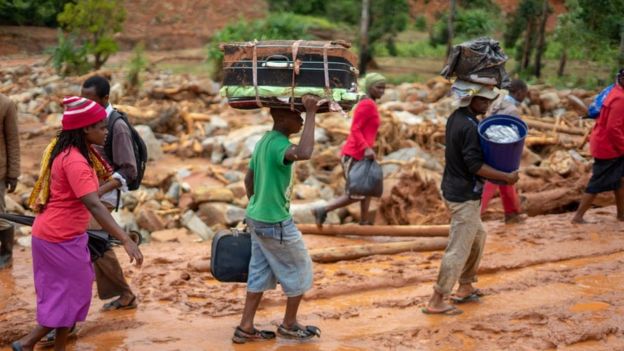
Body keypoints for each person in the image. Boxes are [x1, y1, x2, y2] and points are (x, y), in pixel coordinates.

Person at [12, 97, 143, 351]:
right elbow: (93, 204)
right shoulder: (76, 162)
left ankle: (55, 346)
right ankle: (26, 343)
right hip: (58, 237)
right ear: (85, 129)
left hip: (58, 234)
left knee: (69, 295)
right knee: (69, 296)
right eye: (101, 127)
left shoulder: (72, 153)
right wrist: (125, 239)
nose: (106, 132)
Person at [422, 80, 519, 316]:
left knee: (478, 236)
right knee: (459, 247)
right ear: (470, 99)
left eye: (489, 100)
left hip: (457, 189)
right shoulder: (468, 127)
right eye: (482, 100)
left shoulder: (458, 118)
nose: (486, 104)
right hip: (463, 194)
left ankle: (465, 286)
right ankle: (437, 299)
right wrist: (506, 177)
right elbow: (475, 165)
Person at [233, 95, 324, 344]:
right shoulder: (278, 145)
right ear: (282, 118)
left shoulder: (264, 141)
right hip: (275, 221)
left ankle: (246, 326)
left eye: (303, 115)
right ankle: (289, 324)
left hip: (257, 217)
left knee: (259, 272)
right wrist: (313, 111)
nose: (301, 118)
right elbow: (305, 152)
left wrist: (256, 204)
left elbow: (248, 180)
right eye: (297, 115)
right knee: (300, 268)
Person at [81, 75, 139, 311]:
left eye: (91, 100)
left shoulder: (118, 127)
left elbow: (129, 168)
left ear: (105, 98)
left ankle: (125, 294)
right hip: (90, 192)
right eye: (82, 99)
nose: (86, 104)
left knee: (98, 245)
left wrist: (96, 191)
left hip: (102, 195)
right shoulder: (89, 120)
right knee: (95, 244)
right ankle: (121, 293)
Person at [312, 73, 386, 226]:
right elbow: (355, 129)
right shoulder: (367, 104)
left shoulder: (369, 103)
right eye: (378, 87)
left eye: (383, 88)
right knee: (356, 193)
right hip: (354, 154)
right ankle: (323, 209)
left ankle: (364, 221)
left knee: (367, 189)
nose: (382, 91)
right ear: (369, 87)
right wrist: (366, 148)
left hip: (363, 155)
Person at [572, 69, 624, 224]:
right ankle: (578, 217)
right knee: (597, 182)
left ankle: (621, 214)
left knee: (619, 179)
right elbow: (612, 129)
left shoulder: (613, 91)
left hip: (604, 141)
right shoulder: (621, 99)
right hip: (609, 146)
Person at [480, 79, 528, 224]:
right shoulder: (512, 110)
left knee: (505, 182)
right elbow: (516, 134)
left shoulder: (497, 102)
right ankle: (475, 214)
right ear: (519, 92)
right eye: (525, 94)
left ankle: (512, 213)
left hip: (489, 147)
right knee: (491, 184)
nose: (525, 97)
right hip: (504, 151)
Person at [0, 93, 20, 269]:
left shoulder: (6, 104)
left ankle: (6, 254)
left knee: (0, 216)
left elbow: (13, 141)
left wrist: (13, 174)